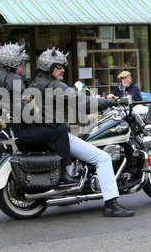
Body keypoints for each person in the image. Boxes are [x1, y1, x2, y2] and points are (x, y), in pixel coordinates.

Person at [30, 47, 135, 217]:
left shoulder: (37, 83)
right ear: (49, 66)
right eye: (59, 66)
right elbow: (81, 102)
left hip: (46, 133)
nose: (63, 69)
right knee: (103, 158)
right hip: (58, 134)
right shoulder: (55, 85)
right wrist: (109, 103)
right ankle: (111, 204)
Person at [0, 43, 72, 177]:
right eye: (20, 62)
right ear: (13, 61)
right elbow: (23, 107)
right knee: (59, 131)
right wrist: (39, 118)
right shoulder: (13, 78)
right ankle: (64, 172)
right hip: (17, 132)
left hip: (3, 132)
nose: (21, 65)